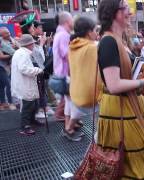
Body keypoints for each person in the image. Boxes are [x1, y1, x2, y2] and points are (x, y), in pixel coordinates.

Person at [97, 0, 144, 178]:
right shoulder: (108, 42)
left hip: (128, 109)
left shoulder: (119, 41)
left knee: (134, 162)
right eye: (126, 8)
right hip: (120, 111)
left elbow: (130, 78)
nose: (130, 12)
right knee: (131, 165)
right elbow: (114, 85)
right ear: (114, 13)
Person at [53, 12, 83, 141]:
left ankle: (69, 126)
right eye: (72, 20)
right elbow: (68, 55)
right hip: (67, 74)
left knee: (69, 102)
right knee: (74, 102)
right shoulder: (64, 35)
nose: (74, 23)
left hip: (61, 74)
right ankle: (69, 129)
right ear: (67, 22)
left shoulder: (59, 34)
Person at [11, 34, 43, 135]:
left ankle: (31, 121)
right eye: (32, 43)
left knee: (33, 103)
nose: (33, 45)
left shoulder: (21, 52)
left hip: (25, 83)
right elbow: (23, 68)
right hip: (25, 84)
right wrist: (37, 70)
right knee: (28, 105)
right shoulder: (23, 54)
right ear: (29, 44)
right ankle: (24, 127)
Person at [0, 27, 17, 110]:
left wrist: (14, 48)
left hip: (10, 66)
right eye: (6, 33)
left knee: (3, 85)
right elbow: (1, 56)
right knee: (8, 84)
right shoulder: (0, 42)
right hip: (2, 67)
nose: (9, 34)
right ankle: (10, 103)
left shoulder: (12, 40)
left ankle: (3, 103)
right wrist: (13, 53)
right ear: (1, 35)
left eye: (9, 32)